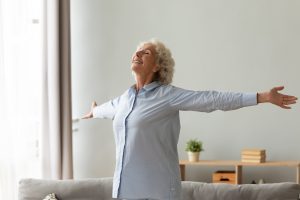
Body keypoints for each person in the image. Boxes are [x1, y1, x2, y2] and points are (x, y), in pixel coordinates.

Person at [82, 39, 297, 200]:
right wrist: (94, 111)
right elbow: (106, 109)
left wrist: (262, 97)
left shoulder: (167, 96)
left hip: (157, 193)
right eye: (136, 51)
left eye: (145, 52)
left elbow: (212, 99)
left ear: (157, 66)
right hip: (123, 192)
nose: (137, 54)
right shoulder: (124, 99)